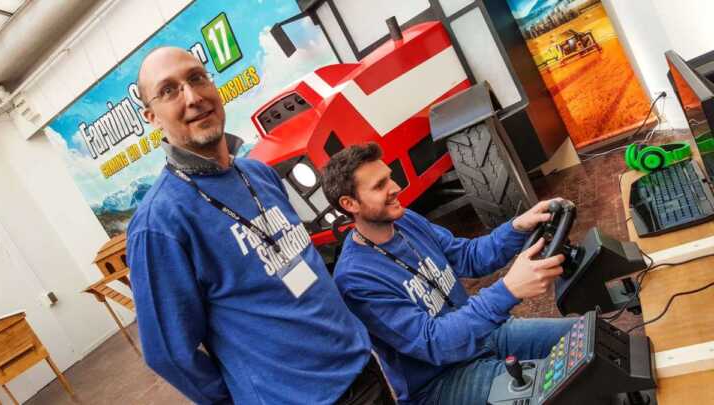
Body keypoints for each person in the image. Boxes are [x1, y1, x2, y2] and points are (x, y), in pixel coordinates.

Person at [127, 47, 394, 405]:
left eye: (196, 78)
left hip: (360, 368)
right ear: (152, 116)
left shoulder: (259, 174)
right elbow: (169, 353)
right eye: (169, 90)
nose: (192, 98)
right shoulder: (159, 223)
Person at [320, 143, 576, 405]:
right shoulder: (356, 280)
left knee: (583, 337)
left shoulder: (406, 220)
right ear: (349, 203)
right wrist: (508, 290)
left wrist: (517, 227)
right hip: (441, 380)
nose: (395, 187)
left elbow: (467, 256)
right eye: (379, 185)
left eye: (390, 177)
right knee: (560, 388)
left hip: (482, 337)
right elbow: (434, 343)